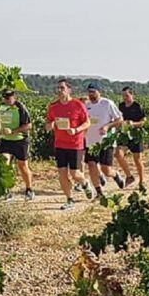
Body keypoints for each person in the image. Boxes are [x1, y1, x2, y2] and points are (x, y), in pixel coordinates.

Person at [46, 79, 91, 211]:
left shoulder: (77, 104)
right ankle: (69, 199)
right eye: (58, 88)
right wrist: (50, 125)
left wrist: (76, 130)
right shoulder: (53, 107)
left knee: (75, 173)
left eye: (62, 88)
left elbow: (87, 122)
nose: (59, 91)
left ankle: (85, 183)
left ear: (69, 90)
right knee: (62, 174)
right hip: (60, 144)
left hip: (75, 144)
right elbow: (47, 125)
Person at [84, 82, 125, 197]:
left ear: (99, 92)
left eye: (93, 92)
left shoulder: (107, 103)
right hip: (91, 142)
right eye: (89, 92)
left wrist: (107, 126)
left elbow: (119, 119)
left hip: (106, 141)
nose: (91, 95)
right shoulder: (86, 105)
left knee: (106, 169)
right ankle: (99, 192)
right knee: (92, 165)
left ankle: (116, 175)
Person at [0, 90, 35, 201]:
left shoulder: (20, 108)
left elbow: (29, 125)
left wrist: (13, 131)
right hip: (5, 140)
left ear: (14, 97)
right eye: (4, 98)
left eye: (8, 98)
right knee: (4, 163)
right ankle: (6, 190)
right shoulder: (1, 107)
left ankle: (29, 189)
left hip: (20, 140)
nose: (6, 100)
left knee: (22, 166)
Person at [116, 87, 147, 189]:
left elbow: (143, 121)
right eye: (123, 95)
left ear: (132, 95)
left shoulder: (137, 106)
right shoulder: (120, 106)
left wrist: (133, 124)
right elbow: (118, 119)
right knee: (118, 154)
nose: (125, 98)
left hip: (136, 135)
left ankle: (142, 182)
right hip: (124, 134)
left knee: (137, 159)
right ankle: (129, 176)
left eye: (127, 95)